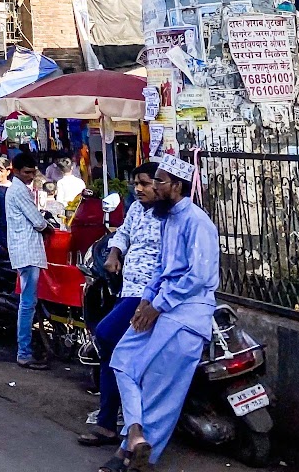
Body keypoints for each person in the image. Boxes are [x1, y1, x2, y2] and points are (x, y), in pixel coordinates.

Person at [107, 154, 219, 472]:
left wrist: (158, 305)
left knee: (159, 388)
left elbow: (197, 277)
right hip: (162, 308)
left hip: (187, 316)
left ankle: (136, 456)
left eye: (159, 182)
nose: (153, 187)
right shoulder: (168, 219)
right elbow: (162, 268)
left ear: (177, 186)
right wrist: (146, 300)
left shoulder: (198, 223)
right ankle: (135, 435)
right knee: (123, 362)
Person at [79, 163, 162, 448]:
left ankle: (114, 423)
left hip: (150, 297)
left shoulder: (174, 217)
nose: (138, 189)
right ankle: (109, 422)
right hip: (128, 290)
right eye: (135, 183)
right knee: (112, 354)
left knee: (106, 336)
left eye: (145, 183)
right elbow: (123, 233)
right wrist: (114, 254)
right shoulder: (137, 209)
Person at [6, 150, 52, 369]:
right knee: (27, 304)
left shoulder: (18, 189)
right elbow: (38, 221)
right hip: (27, 251)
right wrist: (48, 227)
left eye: (33, 172)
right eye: (26, 172)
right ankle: (24, 352)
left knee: (28, 303)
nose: (31, 175)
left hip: (24, 251)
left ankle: (28, 348)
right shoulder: (19, 191)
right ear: (15, 171)